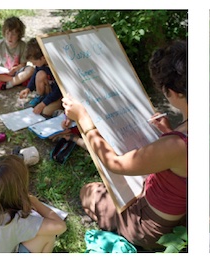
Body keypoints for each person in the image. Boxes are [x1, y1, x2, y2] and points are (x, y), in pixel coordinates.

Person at [62, 40, 188, 250]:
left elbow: (116, 164)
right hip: (175, 215)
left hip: (149, 227)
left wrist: (84, 119)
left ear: (173, 92)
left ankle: (123, 231)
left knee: (88, 191)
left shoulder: (177, 145)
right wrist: (167, 131)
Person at [0, 155, 67, 253]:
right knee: (47, 236)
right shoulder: (17, 222)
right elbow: (60, 226)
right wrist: (35, 202)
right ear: (19, 189)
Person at [0, 16, 34, 90]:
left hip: (17, 71)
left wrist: (16, 69)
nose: (10, 37)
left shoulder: (23, 45)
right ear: (4, 32)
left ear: (19, 35)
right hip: (4, 71)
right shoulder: (0, 44)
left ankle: (10, 83)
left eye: (13, 34)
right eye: (7, 33)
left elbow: (23, 64)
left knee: (31, 70)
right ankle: (15, 80)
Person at [17, 38, 63, 116]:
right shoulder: (40, 65)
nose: (34, 65)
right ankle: (39, 98)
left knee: (46, 111)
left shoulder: (56, 67)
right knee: (40, 74)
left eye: (34, 62)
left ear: (43, 57)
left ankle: (60, 111)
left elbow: (58, 91)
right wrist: (28, 88)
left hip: (58, 95)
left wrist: (43, 104)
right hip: (49, 92)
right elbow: (35, 75)